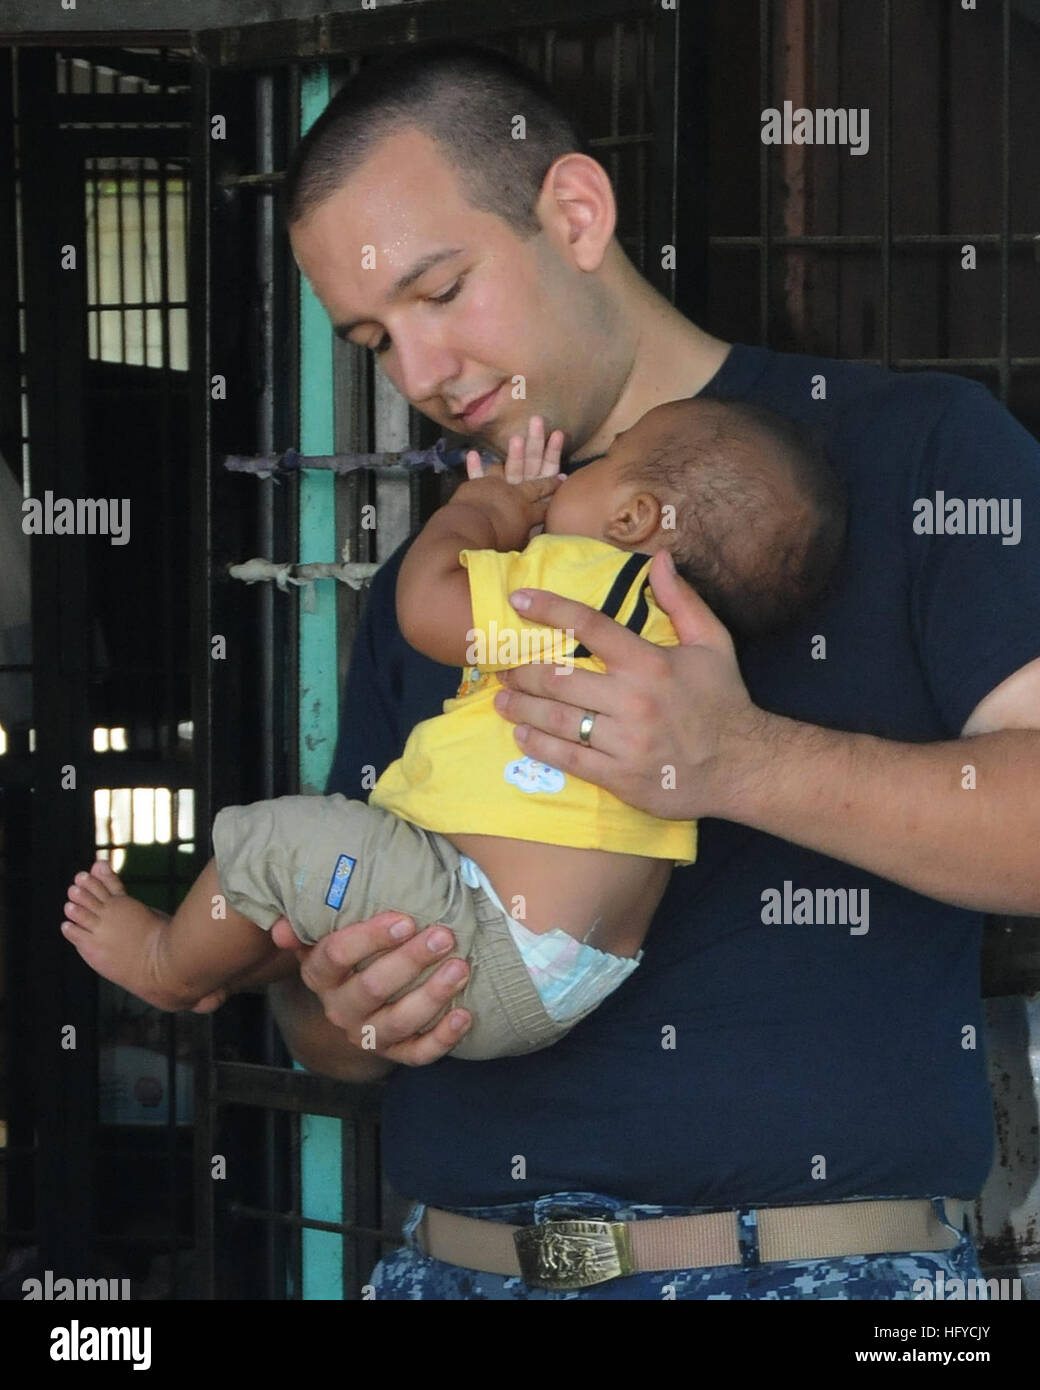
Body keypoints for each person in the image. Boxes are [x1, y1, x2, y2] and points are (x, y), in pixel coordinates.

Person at [229, 42, 1040, 1297]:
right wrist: (348, 1000)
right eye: (374, 338)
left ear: (573, 211)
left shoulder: (918, 451)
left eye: (441, 292)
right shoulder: (447, 575)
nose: (423, 376)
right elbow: (323, 1036)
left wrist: (733, 758)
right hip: (447, 1267)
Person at [60, 396, 846, 1067]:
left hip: (481, 940)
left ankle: (167, 966)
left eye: (605, 461)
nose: (567, 479)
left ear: (632, 518)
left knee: (273, 840)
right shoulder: (681, 647)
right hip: (557, 977)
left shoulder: (591, 579)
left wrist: (485, 510)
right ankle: (233, 951)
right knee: (321, 870)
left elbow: (427, 608)